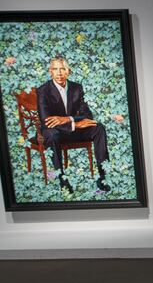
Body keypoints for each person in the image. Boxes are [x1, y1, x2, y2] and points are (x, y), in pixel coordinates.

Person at [37, 56, 111, 193]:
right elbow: (46, 120)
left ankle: (103, 176)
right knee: (51, 134)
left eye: (63, 69)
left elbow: (87, 115)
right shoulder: (43, 90)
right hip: (55, 132)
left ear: (68, 72)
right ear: (50, 71)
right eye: (55, 69)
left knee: (98, 127)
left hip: (73, 131)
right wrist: (75, 124)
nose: (59, 73)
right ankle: (62, 179)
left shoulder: (77, 88)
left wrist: (68, 119)